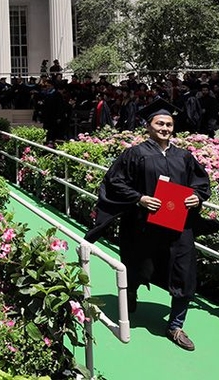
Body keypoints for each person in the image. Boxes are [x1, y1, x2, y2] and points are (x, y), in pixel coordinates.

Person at [84, 97, 211, 351]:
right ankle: (130, 293)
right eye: (159, 123)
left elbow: (201, 183)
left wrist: (196, 197)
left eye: (169, 124)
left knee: (184, 272)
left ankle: (175, 326)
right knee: (138, 265)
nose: (165, 128)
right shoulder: (135, 154)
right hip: (143, 225)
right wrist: (139, 198)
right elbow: (114, 182)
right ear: (148, 126)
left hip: (178, 227)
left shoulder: (184, 156)